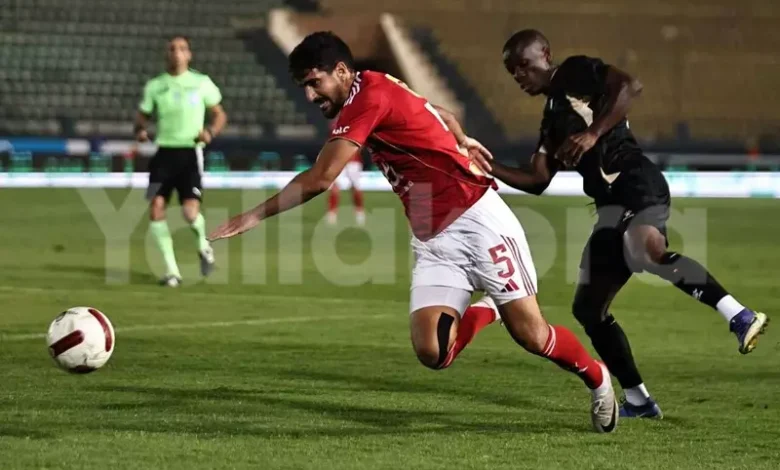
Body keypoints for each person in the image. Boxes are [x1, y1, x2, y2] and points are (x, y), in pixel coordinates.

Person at [209, 31, 619, 433]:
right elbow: (439, 110)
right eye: (304, 87)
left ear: (340, 70)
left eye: (315, 83)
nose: (311, 96)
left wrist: (251, 217)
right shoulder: (377, 82)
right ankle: (487, 310)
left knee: (532, 335)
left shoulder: (367, 97)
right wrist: (458, 135)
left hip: (477, 220)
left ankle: (597, 378)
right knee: (433, 353)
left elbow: (321, 178)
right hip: (432, 234)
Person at [471, 29, 768, 419]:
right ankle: (640, 401)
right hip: (610, 206)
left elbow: (629, 86)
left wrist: (594, 134)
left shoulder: (574, 73)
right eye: (513, 73)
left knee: (644, 249)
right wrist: (482, 164)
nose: (520, 76)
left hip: (635, 181)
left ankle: (739, 315)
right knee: (588, 308)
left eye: (524, 65)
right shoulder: (551, 118)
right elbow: (538, 179)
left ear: (545, 54)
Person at [135, 35, 227, 287]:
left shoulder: (201, 83)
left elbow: (219, 115)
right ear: (167, 55)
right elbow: (142, 116)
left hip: (189, 153)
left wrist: (209, 132)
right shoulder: (156, 86)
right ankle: (172, 272)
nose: (177, 52)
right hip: (163, 153)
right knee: (155, 208)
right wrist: (140, 130)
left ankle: (203, 246)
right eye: (172, 48)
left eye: (182, 48)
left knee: (189, 213)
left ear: (189, 55)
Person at [326, 117, 365, 226]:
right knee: (335, 186)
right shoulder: (335, 124)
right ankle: (332, 215)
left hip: (353, 161)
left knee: (355, 187)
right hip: (339, 160)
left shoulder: (355, 123)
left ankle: (359, 212)